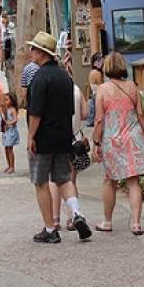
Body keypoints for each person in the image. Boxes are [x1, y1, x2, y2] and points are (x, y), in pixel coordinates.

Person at [26, 31, 92, 243]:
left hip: (43, 138)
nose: (31, 52)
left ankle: (50, 228)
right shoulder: (65, 77)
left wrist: (30, 136)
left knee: (41, 182)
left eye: (34, 49)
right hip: (64, 135)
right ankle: (76, 213)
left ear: (42, 53)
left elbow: (36, 112)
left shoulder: (39, 78)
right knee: (63, 178)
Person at [92, 52, 144, 235]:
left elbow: (99, 120)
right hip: (133, 137)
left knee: (109, 180)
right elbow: (141, 115)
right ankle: (136, 224)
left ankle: (107, 221)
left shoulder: (103, 89)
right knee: (133, 181)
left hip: (113, 139)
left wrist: (96, 142)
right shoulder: (133, 87)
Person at [50, 78, 88, 231]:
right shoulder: (76, 89)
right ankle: (72, 217)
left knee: (54, 180)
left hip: (55, 138)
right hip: (75, 139)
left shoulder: (51, 89)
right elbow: (85, 114)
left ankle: (55, 219)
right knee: (70, 180)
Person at [2, 92, 20, 174]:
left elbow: (16, 119)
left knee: (10, 149)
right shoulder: (6, 109)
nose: (5, 101)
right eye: (4, 99)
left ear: (12, 101)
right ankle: (9, 165)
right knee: (6, 148)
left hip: (11, 131)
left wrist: (10, 122)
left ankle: (12, 166)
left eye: (7, 99)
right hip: (6, 131)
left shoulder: (12, 109)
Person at [86, 53, 104, 127]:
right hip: (98, 95)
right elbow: (101, 87)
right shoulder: (97, 73)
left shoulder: (92, 72)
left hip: (94, 95)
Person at [2, 19, 16, 92]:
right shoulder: (17, 35)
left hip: (9, 60)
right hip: (17, 60)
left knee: (10, 78)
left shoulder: (6, 37)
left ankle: (12, 94)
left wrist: (2, 63)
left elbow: (4, 50)